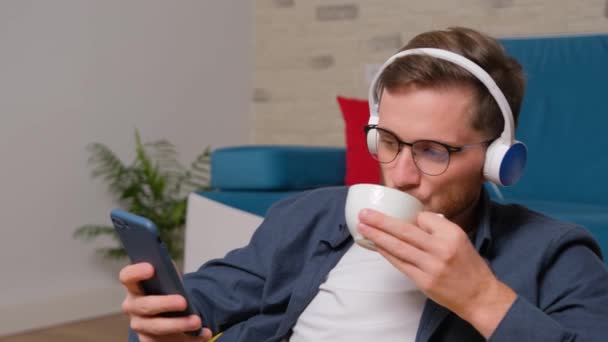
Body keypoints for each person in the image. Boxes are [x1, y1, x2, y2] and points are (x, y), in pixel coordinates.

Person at [119, 27, 608, 341]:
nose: (399, 173)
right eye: (388, 140)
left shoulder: (554, 254)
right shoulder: (309, 216)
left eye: (433, 150)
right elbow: (212, 292)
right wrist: (162, 317)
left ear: (498, 161)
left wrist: (481, 298)